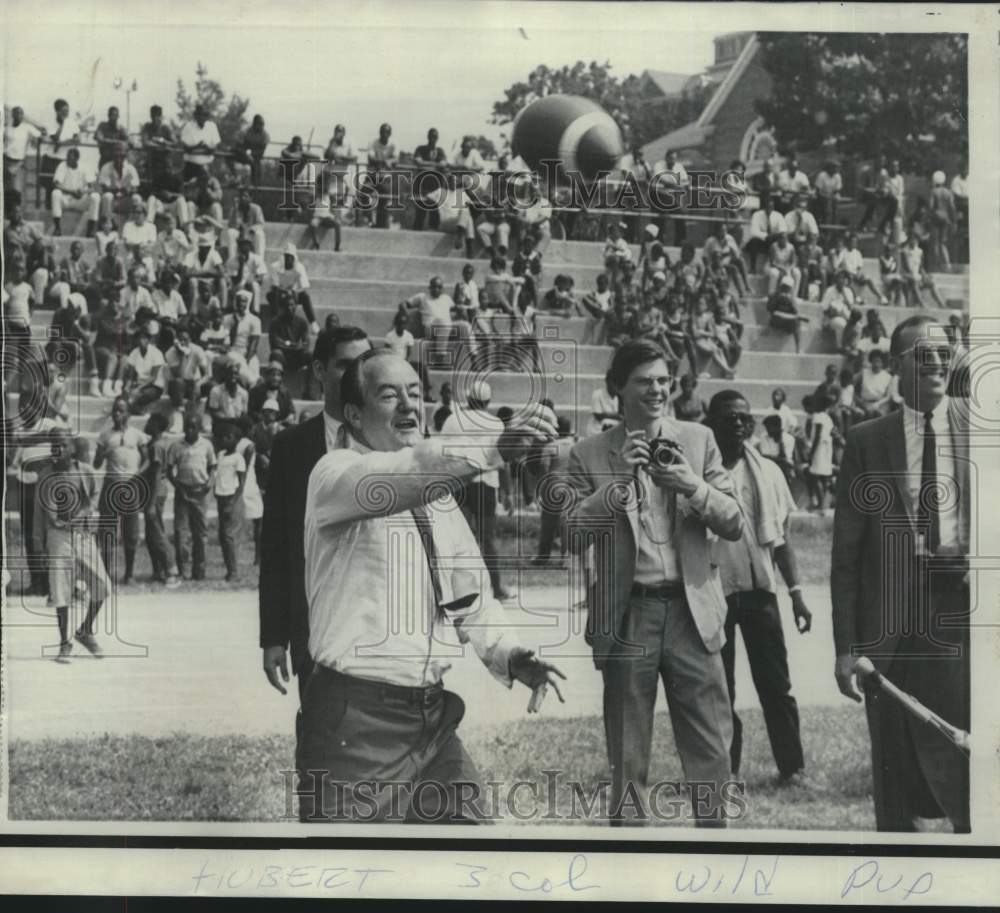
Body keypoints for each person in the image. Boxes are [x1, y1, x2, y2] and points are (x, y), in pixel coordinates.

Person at [297, 348, 564, 822]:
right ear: (354, 414)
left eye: (414, 392)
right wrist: (492, 447)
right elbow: (404, 473)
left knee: (472, 849)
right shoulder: (333, 475)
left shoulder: (438, 500)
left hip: (433, 720)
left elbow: (472, 597)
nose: (408, 405)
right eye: (388, 395)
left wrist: (509, 653)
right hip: (355, 722)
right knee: (348, 863)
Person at [564, 340, 743, 825]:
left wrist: (692, 486)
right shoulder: (588, 452)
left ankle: (717, 850)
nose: (657, 390)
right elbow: (572, 535)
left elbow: (734, 522)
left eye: (664, 380)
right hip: (629, 614)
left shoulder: (699, 440)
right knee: (627, 755)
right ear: (617, 389)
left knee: (712, 749)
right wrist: (618, 482)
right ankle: (630, 856)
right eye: (644, 381)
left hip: (692, 612)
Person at [832, 315, 969, 832]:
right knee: (895, 781)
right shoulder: (867, 441)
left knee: (969, 766)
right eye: (922, 354)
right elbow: (846, 555)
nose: (936, 362)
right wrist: (845, 647)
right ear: (896, 366)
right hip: (889, 628)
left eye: (943, 353)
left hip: (960, 618)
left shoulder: (980, 433)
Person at [259, 326, 373, 701]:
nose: (356, 374)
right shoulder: (290, 447)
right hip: (313, 626)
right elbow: (276, 549)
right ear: (320, 370)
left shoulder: (388, 443)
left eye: (364, 364)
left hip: (376, 620)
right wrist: (274, 637)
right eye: (345, 364)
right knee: (319, 728)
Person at [706, 391, 812, 784]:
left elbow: (782, 541)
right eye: (727, 417)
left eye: (742, 418)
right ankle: (726, 771)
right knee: (721, 688)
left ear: (751, 424)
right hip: (714, 594)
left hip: (760, 592)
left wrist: (796, 593)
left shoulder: (768, 472)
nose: (736, 424)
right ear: (710, 423)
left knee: (776, 685)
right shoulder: (697, 473)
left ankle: (792, 768)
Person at [33, 429, 112, 662]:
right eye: (53, 445)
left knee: (103, 585)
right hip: (58, 537)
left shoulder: (84, 471)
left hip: (83, 536)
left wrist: (86, 513)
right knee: (61, 592)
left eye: (62, 445)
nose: (57, 449)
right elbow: (38, 513)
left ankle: (85, 630)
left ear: (73, 448)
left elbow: (94, 497)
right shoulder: (45, 475)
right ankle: (64, 643)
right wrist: (39, 545)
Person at [440, 380, 514, 601]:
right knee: (487, 538)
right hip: (485, 483)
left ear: (469, 398)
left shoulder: (452, 420)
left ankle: (452, 589)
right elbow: (503, 460)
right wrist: (508, 492)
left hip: (458, 483)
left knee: (455, 538)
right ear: (487, 401)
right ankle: (496, 587)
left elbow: (442, 454)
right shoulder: (495, 424)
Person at [94, 397, 150, 584]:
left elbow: (147, 460)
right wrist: (103, 453)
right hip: (111, 483)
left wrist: (137, 475)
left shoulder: (137, 435)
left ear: (128, 414)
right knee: (107, 530)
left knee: (130, 531)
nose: (117, 414)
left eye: (121, 410)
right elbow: (96, 463)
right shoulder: (105, 435)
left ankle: (129, 574)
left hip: (130, 485)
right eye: (115, 410)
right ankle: (106, 573)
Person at [168, 414, 217, 580]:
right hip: (182, 492)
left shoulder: (206, 445)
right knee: (180, 532)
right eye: (187, 427)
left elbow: (212, 467)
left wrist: (209, 483)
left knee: (200, 534)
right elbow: (169, 470)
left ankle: (199, 571)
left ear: (199, 429)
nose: (189, 431)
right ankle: (183, 570)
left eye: (193, 427)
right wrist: (178, 487)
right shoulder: (176, 446)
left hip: (200, 492)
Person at [142, 412, 179, 586]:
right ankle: (159, 571)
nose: (147, 423)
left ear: (157, 426)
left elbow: (156, 475)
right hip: (152, 492)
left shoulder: (157, 446)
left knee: (156, 532)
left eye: (150, 421)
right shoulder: (153, 444)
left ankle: (171, 569)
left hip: (155, 492)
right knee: (151, 533)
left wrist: (150, 503)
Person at [212, 420, 247, 582]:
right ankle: (228, 570)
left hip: (232, 499)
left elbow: (241, 484)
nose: (224, 439)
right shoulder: (220, 455)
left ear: (237, 440)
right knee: (222, 535)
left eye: (229, 437)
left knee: (228, 535)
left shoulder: (238, 458)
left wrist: (232, 503)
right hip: (221, 498)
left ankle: (234, 571)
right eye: (223, 437)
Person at [50, 146, 100, 237]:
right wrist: (71, 191)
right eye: (67, 157)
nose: (68, 160)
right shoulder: (62, 165)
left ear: (77, 158)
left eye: (71, 158)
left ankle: (91, 230)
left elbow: (93, 187)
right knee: (55, 193)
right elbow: (56, 185)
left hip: (80, 200)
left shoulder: (85, 167)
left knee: (95, 196)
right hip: (66, 200)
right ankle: (57, 228)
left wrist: (83, 191)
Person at [268, 242, 317, 331]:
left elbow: (303, 287)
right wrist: (284, 292)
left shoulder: (299, 268)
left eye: (290, 257)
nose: (288, 259)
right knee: (273, 294)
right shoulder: (275, 266)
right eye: (286, 256)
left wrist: (293, 292)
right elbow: (275, 286)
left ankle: (313, 323)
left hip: (294, 293)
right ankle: (276, 324)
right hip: (280, 293)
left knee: (305, 296)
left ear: (294, 258)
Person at [122, 327, 167, 414]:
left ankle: (137, 409)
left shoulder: (156, 353)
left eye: (144, 338)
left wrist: (138, 389)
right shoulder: (134, 352)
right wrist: (127, 387)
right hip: (140, 385)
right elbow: (131, 375)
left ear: (149, 340)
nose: (141, 341)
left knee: (140, 396)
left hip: (154, 387)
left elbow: (153, 377)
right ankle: (131, 408)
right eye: (139, 338)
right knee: (125, 394)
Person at [804, 391, 836, 511]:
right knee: (823, 476)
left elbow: (817, 436)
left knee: (815, 475)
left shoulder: (818, 417)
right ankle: (822, 503)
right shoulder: (828, 418)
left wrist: (811, 452)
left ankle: (821, 503)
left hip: (820, 449)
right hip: (826, 448)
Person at [3, 106, 44, 198]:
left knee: (17, 189)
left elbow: (42, 133)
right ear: (13, 115)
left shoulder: (27, 127)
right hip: (6, 160)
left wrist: (34, 140)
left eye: (21, 113)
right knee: (6, 188)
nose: (20, 115)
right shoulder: (7, 127)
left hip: (18, 162)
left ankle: (16, 206)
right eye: (17, 113)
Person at [900, 233, 946, 309]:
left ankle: (941, 304)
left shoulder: (920, 251)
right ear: (909, 240)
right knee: (914, 282)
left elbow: (921, 267)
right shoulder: (904, 252)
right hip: (907, 275)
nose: (913, 241)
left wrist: (925, 276)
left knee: (931, 283)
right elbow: (906, 267)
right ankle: (922, 304)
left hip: (917, 275)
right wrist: (915, 276)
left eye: (915, 240)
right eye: (912, 239)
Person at [767, 275, 810, 353]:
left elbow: (795, 312)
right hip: (776, 320)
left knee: (796, 321)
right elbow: (770, 310)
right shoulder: (773, 295)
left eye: (788, 288)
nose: (785, 289)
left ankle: (798, 348)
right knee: (792, 317)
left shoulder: (790, 298)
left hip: (787, 321)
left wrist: (789, 301)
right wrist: (778, 298)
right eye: (784, 287)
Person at [180, 104, 221, 182]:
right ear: (195, 116)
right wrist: (197, 146)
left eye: (204, 115)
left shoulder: (212, 126)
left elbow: (215, 148)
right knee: (188, 186)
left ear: (207, 116)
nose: (202, 117)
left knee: (211, 185)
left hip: (208, 166)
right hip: (191, 166)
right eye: (199, 115)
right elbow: (185, 148)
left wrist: (207, 147)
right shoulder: (188, 126)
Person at [97, 153, 142, 223]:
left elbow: (135, 188)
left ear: (125, 157)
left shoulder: (131, 168)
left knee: (137, 198)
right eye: (116, 156)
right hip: (113, 199)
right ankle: (106, 223)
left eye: (122, 157)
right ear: (113, 157)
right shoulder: (106, 167)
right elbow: (104, 188)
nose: (119, 159)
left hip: (125, 198)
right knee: (107, 196)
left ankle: (133, 224)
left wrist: (126, 191)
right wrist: (121, 189)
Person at [821, 270, 856, 351]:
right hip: (831, 318)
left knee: (857, 325)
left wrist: (844, 295)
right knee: (841, 323)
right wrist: (838, 313)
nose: (842, 280)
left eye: (845, 278)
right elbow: (825, 309)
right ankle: (839, 347)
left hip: (846, 316)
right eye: (840, 278)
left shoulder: (848, 291)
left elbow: (851, 308)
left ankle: (852, 346)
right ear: (836, 279)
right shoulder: (830, 291)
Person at [856, 349, 893, 419]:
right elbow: (853, 388)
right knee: (866, 413)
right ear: (871, 362)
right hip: (864, 403)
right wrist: (861, 403)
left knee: (878, 414)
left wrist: (877, 404)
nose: (876, 364)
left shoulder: (888, 377)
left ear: (882, 363)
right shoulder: (863, 373)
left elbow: (888, 396)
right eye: (874, 361)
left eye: (878, 361)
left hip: (880, 404)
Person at [586, 370, 620, 438]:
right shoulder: (598, 394)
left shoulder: (619, 397)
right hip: (597, 431)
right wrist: (617, 416)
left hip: (613, 432)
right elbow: (598, 416)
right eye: (613, 382)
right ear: (607, 381)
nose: (615, 385)